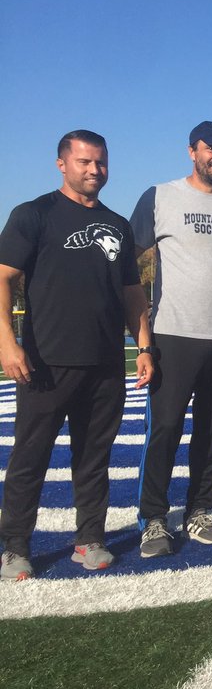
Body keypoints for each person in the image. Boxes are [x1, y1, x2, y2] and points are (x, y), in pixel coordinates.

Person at [0, 130, 154, 581]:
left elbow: (131, 292)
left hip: (105, 362)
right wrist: (7, 343)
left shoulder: (117, 224)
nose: (94, 170)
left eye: (100, 162)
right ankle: (14, 546)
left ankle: (90, 538)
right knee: (30, 457)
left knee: (94, 457)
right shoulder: (34, 214)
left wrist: (144, 345)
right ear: (62, 164)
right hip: (46, 362)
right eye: (84, 161)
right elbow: (3, 277)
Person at [132, 120, 212, 558]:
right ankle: (153, 518)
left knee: (211, 430)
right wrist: (141, 334)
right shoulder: (160, 196)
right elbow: (126, 264)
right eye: (211, 148)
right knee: (165, 428)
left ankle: (199, 510)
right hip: (174, 333)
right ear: (192, 151)